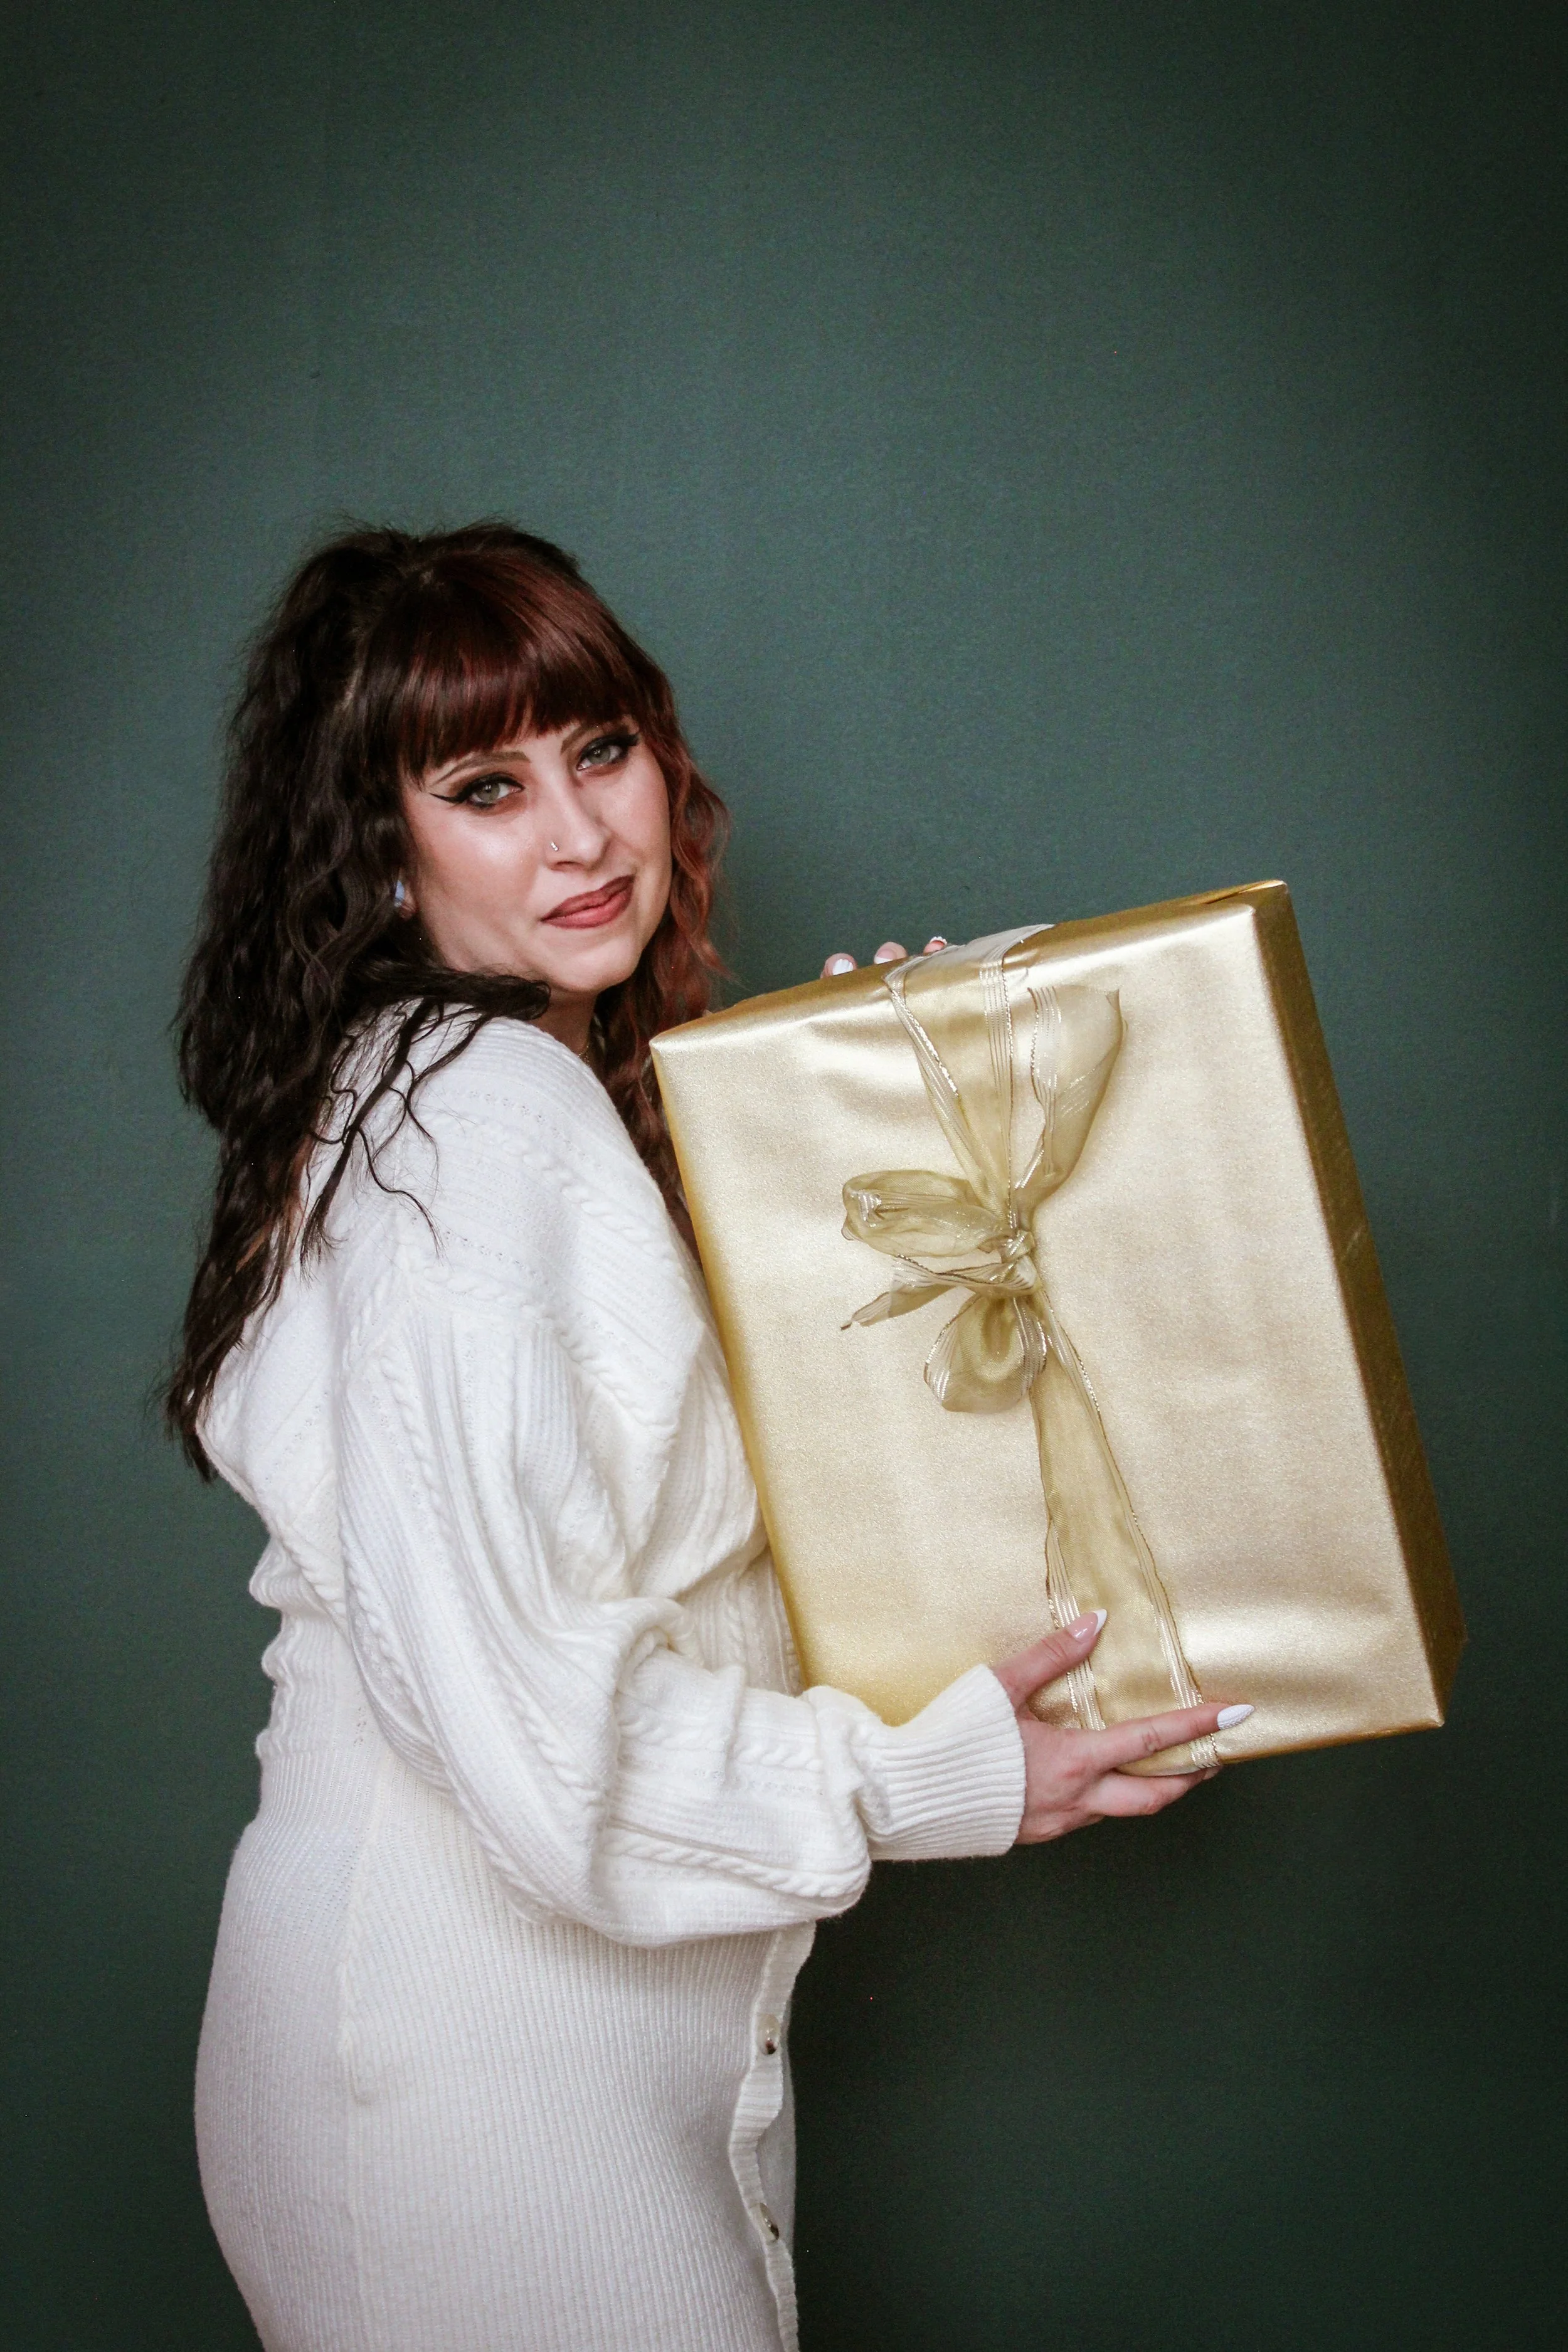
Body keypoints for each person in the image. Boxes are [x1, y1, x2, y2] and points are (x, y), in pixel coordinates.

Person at [168, 523, 1241, 2352]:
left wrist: (857, 1107)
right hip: (475, 2069)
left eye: (600, 749)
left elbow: (695, 1516)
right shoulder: (483, 1124)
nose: (581, 833)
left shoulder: (466, 1096)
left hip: (480, 2039)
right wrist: (924, 1777)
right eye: (485, 784)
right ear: (379, 840)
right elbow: (533, 1730)